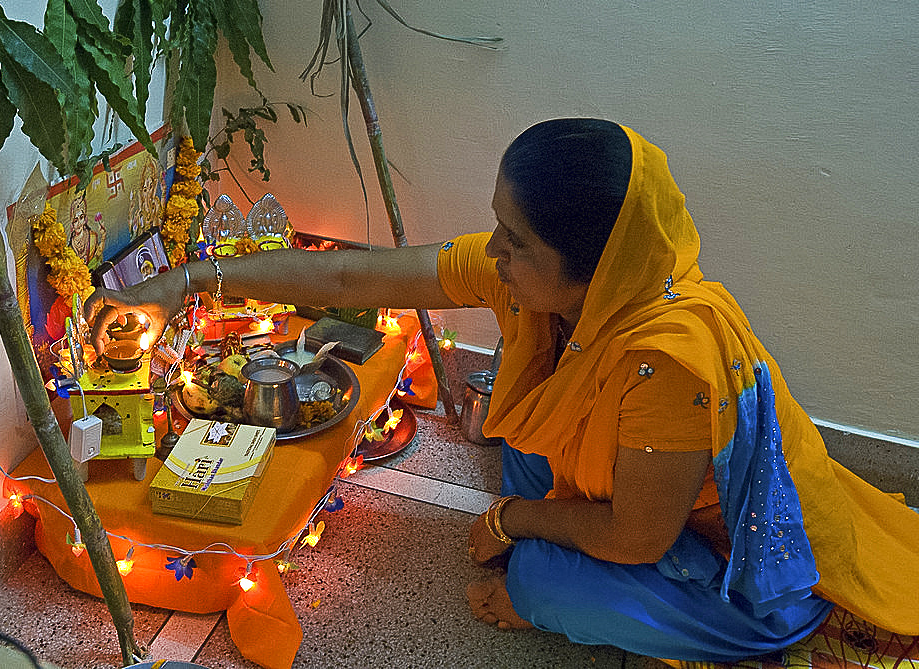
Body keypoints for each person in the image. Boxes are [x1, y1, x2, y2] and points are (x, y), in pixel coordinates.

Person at [85, 119, 919, 662]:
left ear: (598, 269)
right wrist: (191, 280)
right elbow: (351, 271)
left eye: (516, 245)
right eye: (501, 228)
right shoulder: (545, 287)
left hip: (743, 554)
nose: (497, 258)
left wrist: (510, 519)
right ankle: (550, 534)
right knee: (526, 433)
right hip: (638, 487)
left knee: (543, 584)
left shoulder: (666, 362)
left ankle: (641, 601)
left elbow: (635, 537)